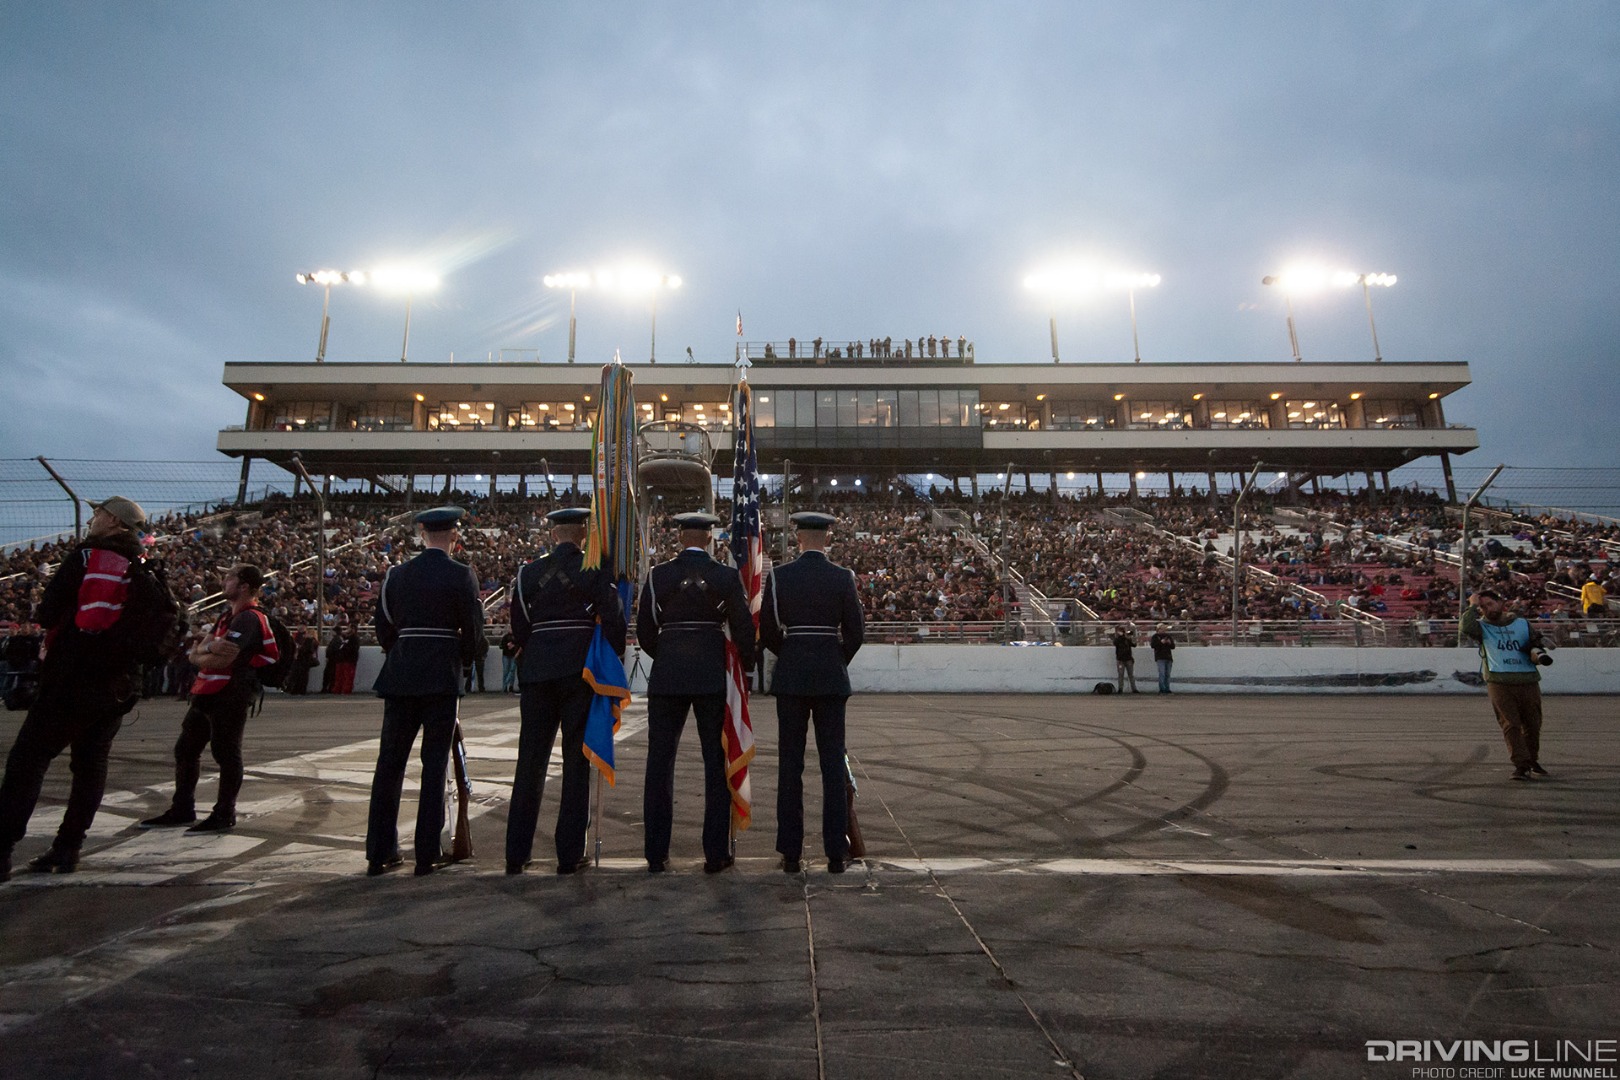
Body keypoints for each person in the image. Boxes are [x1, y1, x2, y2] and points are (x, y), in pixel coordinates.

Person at [0, 497, 176, 881]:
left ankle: (2, 849)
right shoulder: (143, 564)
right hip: (117, 685)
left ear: (112, 520)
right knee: (91, 764)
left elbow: (48, 611)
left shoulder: (87, 557)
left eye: (98, 513)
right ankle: (68, 847)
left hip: (72, 677)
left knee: (28, 760)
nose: (93, 518)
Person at [364, 506, 485, 876]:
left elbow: (383, 627)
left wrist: (402, 651)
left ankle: (379, 850)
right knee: (434, 764)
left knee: (389, 764)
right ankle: (426, 850)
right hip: (440, 675)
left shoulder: (396, 575)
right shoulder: (461, 575)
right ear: (454, 537)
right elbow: (473, 632)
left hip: (401, 673)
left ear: (421, 533)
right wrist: (463, 662)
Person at [505, 508, 626, 875]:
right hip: (580, 671)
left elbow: (519, 624)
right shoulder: (595, 571)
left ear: (554, 534)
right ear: (583, 536)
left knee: (530, 761)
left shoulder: (528, 573)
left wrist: (538, 653)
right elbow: (614, 616)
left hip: (539, 672)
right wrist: (612, 654)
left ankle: (516, 853)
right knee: (576, 761)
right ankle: (569, 854)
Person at [636, 511, 756, 873]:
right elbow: (743, 629)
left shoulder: (658, 576)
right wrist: (745, 669)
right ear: (709, 538)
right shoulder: (724, 576)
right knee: (715, 765)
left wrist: (670, 651)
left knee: (659, 764)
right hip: (710, 674)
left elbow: (645, 631)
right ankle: (715, 853)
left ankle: (656, 853)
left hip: (668, 674)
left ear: (680, 537)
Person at [759, 512, 865, 874]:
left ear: (798, 538)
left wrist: (788, 654)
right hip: (830, 677)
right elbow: (856, 630)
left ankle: (790, 852)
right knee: (832, 764)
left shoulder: (780, 576)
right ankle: (836, 851)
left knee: (791, 765)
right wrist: (836, 659)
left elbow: (770, 630)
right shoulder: (841, 577)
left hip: (791, 677)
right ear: (827, 540)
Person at [141, 564, 279, 834]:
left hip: (230, 693)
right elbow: (197, 652)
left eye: (230, 577)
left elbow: (223, 657)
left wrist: (205, 651)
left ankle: (224, 812)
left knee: (226, 753)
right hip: (208, 692)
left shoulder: (249, 618)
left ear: (244, 587)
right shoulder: (228, 617)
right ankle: (183, 807)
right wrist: (207, 649)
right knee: (186, 749)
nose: (224, 580)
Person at [1460, 588, 1552, 781]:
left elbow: (1535, 644)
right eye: (1483, 607)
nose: (1487, 609)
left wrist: (1537, 654)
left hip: (1527, 679)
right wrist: (1472, 606)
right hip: (1499, 681)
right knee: (1510, 724)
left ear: (1501, 603)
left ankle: (1531, 760)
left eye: (1490, 604)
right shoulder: (1482, 627)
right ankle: (1521, 764)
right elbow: (1466, 628)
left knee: (1533, 725)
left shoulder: (1521, 624)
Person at [1112, 622, 1139, 693]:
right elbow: (1115, 643)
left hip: (1128, 659)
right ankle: (1120, 688)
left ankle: (1134, 688)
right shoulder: (1118, 639)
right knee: (1121, 675)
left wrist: (1129, 637)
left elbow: (1134, 645)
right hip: (1120, 659)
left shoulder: (1127, 639)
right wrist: (1121, 637)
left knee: (1131, 675)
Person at [1149, 623, 1176, 694]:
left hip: (1168, 657)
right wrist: (1161, 642)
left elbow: (1173, 646)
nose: (1164, 630)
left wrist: (1169, 643)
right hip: (1160, 657)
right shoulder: (1155, 637)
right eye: (1162, 628)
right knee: (1162, 673)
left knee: (1167, 674)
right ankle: (1162, 689)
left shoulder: (1168, 636)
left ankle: (1167, 688)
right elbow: (1153, 645)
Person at [499, 629, 519, 694]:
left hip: (512, 655)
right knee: (507, 671)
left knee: (511, 671)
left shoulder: (516, 637)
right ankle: (506, 687)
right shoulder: (505, 637)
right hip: (507, 655)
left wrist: (513, 646)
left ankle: (508, 686)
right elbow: (501, 646)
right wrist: (507, 645)